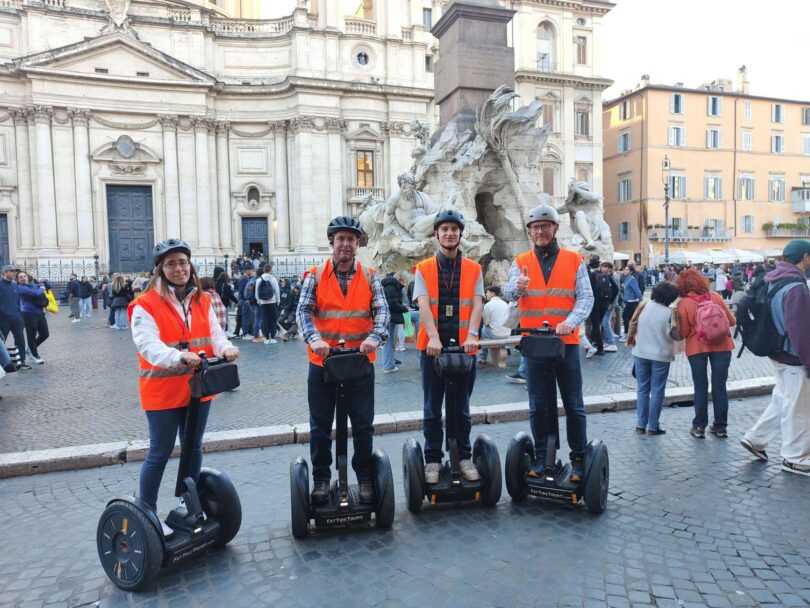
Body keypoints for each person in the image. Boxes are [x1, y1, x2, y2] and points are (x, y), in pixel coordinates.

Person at [130, 239, 238, 526]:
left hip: (197, 389)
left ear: (190, 265)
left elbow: (215, 333)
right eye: (171, 263)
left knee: (193, 446)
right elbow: (147, 345)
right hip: (162, 392)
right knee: (160, 451)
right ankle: (147, 512)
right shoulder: (144, 305)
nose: (178, 268)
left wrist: (225, 347)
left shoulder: (201, 299)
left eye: (182, 262)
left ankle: (187, 503)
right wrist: (178, 356)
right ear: (160, 270)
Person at [296, 216, 389, 505]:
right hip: (323, 363)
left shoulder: (370, 275)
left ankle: (363, 477)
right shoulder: (314, 274)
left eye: (351, 239)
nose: (346, 244)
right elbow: (303, 312)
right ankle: (322, 479)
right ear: (332, 242)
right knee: (320, 426)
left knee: (363, 425)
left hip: (359, 362)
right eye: (341, 239)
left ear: (358, 243)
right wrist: (315, 340)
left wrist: (376, 337)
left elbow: (382, 312)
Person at [504, 204, 594, 480]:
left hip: (565, 342)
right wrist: (515, 288)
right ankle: (543, 457)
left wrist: (571, 320)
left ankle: (578, 458)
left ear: (555, 228)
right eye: (535, 227)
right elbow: (509, 292)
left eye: (545, 226)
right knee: (538, 405)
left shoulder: (573, 259)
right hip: (534, 344)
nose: (540, 231)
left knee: (573, 404)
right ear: (530, 232)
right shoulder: (520, 262)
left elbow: (586, 297)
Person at [413, 209, 484, 483]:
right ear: (436, 234)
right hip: (432, 350)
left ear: (460, 233)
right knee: (432, 408)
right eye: (444, 229)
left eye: (454, 229)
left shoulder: (475, 268)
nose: (449, 233)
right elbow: (423, 304)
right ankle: (432, 459)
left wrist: (473, 334)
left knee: (462, 408)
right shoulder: (424, 268)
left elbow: (477, 303)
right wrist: (433, 337)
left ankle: (464, 457)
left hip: (465, 349)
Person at [741, 240, 810, 476]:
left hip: (775, 350)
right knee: (798, 407)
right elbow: (801, 331)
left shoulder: (773, 279)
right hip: (793, 355)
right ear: (805, 257)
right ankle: (795, 458)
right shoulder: (797, 288)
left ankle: (755, 439)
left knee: (783, 399)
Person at [676, 268, 736, 439]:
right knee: (720, 386)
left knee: (700, 386)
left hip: (697, 348)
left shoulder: (684, 303)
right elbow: (732, 321)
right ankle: (720, 426)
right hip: (723, 346)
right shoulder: (715, 297)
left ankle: (699, 427)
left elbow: (684, 333)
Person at [627, 281, 680, 435]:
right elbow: (676, 335)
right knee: (657, 390)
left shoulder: (643, 306)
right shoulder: (670, 313)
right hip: (661, 355)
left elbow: (633, 324)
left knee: (642, 389)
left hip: (640, 352)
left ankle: (640, 424)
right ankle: (652, 426)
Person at [0, 264, 30, 370]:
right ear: (5, 272)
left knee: (20, 340)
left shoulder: (14, 284)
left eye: (14, 271)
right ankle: (2, 363)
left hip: (16, 318)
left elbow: (17, 301)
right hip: (3, 319)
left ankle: (21, 362)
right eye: (11, 271)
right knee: (1, 342)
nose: (14, 273)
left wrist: (20, 316)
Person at [17, 272, 50, 364]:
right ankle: (35, 356)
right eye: (20, 277)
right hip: (29, 314)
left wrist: (45, 281)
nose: (23, 278)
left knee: (45, 334)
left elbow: (49, 287)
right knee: (31, 335)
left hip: (40, 313)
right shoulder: (20, 288)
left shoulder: (33, 285)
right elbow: (35, 294)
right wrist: (41, 288)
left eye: (24, 276)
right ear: (18, 280)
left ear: (28, 277)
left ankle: (30, 349)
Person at [381, 272, 409, 373]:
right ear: (400, 279)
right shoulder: (392, 286)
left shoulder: (391, 285)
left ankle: (390, 363)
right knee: (388, 342)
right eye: (403, 280)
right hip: (390, 317)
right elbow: (392, 303)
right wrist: (404, 308)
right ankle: (388, 366)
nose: (404, 283)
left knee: (390, 341)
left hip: (390, 317)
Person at [478, 285, 511, 366]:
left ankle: (483, 357)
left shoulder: (488, 305)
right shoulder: (505, 304)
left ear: (492, 293)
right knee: (495, 328)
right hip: (507, 333)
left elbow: (486, 323)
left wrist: (482, 314)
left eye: (487, 292)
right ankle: (503, 351)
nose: (486, 294)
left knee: (483, 329)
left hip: (495, 334)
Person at [596, 262, 619, 352]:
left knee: (606, 323)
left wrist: (610, 302)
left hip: (609, 304)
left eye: (606, 267)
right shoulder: (608, 276)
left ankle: (611, 343)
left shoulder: (611, 277)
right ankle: (608, 342)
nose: (604, 269)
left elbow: (616, 290)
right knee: (605, 322)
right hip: (608, 303)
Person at [255, 264, 280, 344]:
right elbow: (277, 291)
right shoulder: (273, 279)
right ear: (270, 270)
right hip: (272, 302)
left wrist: (258, 301)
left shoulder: (259, 279)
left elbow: (256, 292)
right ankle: (272, 338)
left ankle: (266, 338)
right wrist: (278, 301)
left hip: (263, 302)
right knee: (273, 320)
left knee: (264, 320)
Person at [586, 258, 605, 358]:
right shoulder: (603, 275)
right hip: (603, 303)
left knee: (595, 325)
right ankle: (592, 342)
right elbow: (615, 288)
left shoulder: (591, 275)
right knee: (597, 324)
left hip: (594, 303)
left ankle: (600, 348)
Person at [620, 266, 642, 340]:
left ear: (631, 271)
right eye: (625, 269)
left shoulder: (632, 279)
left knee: (625, 316)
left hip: (632, 301)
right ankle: (632, 333)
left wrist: (640, 299)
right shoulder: (627, 279)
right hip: (629, 300)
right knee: (631, 318)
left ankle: (626, 333)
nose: (625, 271)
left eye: (627, 270)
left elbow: (637, 290)